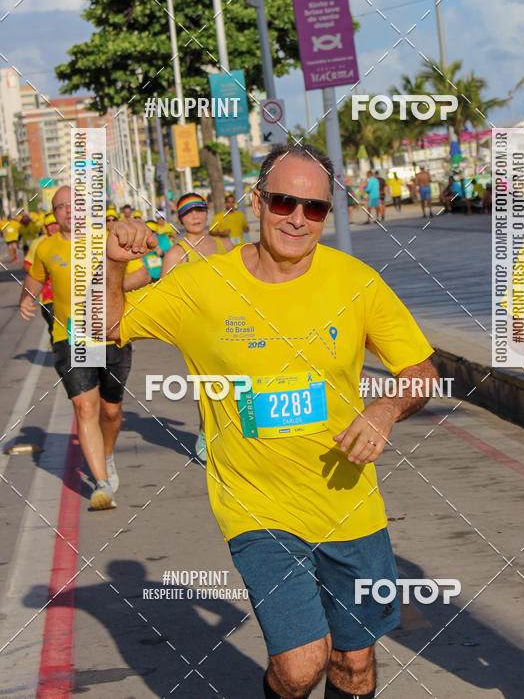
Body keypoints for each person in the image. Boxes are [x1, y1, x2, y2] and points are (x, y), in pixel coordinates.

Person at [104, 143, 439, 699]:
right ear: (257, 201)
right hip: (255, 506)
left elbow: (420, 370)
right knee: (302, 663)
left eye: (315, 208)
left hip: (347, 504)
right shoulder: (202, 286)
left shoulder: (355, 282)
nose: (298, 219)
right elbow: (102, 330)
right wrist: (114, 265)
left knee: (354, 664)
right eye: (285, 202)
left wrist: (386, 407)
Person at [19, 185, 139, 511]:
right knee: (85, 408)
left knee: (110, 409)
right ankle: (101, 485)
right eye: (62, 206)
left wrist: (112, 290)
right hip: (70, 337)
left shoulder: (109, 238)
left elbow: (140, 273)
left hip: (111, 333)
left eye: (75, 204)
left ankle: (107, 454)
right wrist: (25, 298)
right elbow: (35, 277)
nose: (69, 210)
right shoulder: (45, 247)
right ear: (55, 214)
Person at [160, 192, 234, 462]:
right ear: (180, 218)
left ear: (207, 212)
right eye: (188, 212)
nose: (195, 216)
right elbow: (164, 299)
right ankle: (206, 431)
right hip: (197, 329)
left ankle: (235, 433)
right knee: (210, 382)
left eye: (199, 210)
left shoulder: (225, 245)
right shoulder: (176, 254)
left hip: (232, 323)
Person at [22, 211, 60, 342]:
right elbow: (26, 266)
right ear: (45, 227)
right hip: (48, 297)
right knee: (55, 330)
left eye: (56, 223)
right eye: (50, 225)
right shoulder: (38, 244)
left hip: (71, 295)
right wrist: (44, 270)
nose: (54, 227)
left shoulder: (70, 241)